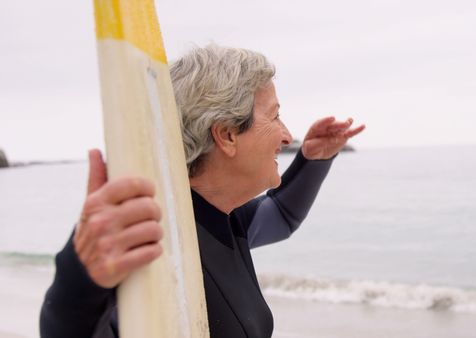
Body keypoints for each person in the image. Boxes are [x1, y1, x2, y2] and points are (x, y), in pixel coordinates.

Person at [39, 44, 365, 338]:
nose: (287, 135)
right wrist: (80, 274)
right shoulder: (158, 239)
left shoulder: (223, 218)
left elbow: (281, 215)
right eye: (274, 116)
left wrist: (314, 161)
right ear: (226, 135)